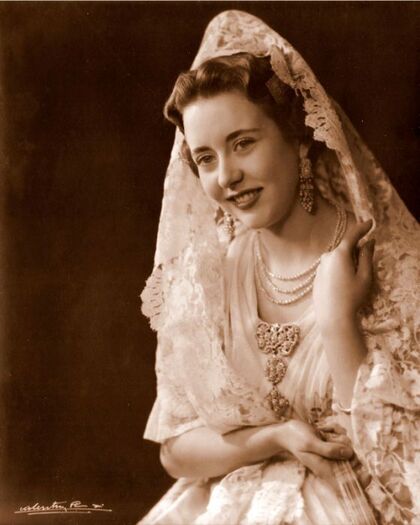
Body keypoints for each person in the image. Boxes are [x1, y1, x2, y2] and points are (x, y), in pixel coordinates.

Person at [139, 10, 419, 525]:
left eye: (243, 143)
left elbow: (405, 466)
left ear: (299, 139)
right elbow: (176, 450)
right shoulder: (212, 277)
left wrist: (337, 320)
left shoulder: (386, 263)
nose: (227, 177)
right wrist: (274, 438)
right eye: (206, 158)